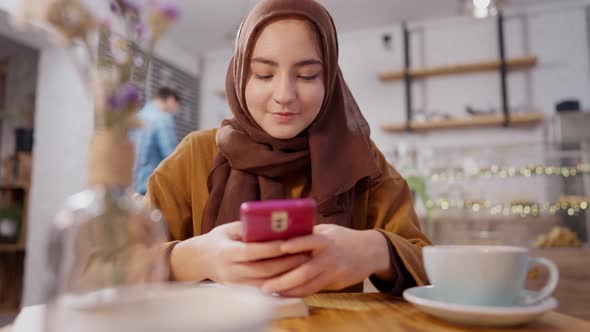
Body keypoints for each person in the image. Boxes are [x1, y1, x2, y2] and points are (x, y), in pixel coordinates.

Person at [147, 0, 430, 298]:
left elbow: (429, 266)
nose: (284, 95)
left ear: (330, 80)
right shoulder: (195, 155)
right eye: (263, 74)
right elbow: (111, 262)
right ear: (241, 75)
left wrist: (376, 251)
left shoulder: (360, 161)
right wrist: (193, 258)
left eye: (307, 75)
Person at [132, 86, 181, 195]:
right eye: (176, 106)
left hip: (133, 185)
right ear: (171, 100)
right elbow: (171, 156)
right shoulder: (163, 119)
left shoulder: (138, 116)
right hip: (151, 186)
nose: (175, 110)